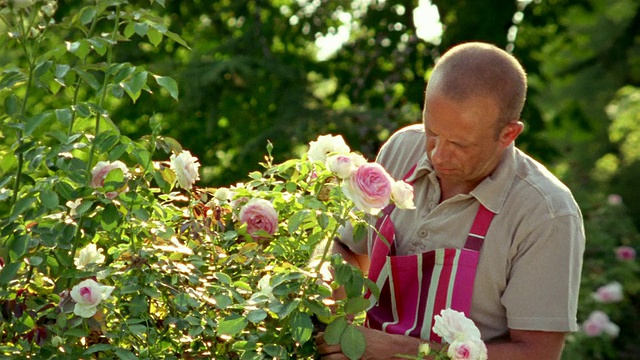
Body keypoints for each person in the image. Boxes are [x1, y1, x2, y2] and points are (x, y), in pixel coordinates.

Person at [315, 42, 585, 359]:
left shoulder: (545, 213)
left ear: (508, 134)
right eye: (432, 131)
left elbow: (537, 354)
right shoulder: (402, 148)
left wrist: (399, 352)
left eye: (460, 144)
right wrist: (337, 321)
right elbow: (347, 248)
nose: (438, 154)